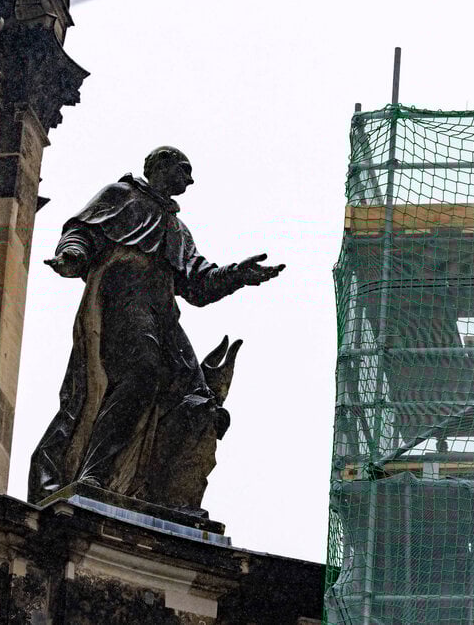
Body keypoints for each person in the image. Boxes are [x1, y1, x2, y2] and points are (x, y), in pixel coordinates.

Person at [27, 146, 283, 512]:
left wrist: (237, 275)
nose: (190, 180)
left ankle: (167, 492)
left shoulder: (178, 228)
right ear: (159, 166)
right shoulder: (121, 196)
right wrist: (73, 255)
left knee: (199, 402)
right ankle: (93, 474)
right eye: (184, 169)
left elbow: (198, 283)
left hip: (162, 313)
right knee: (142, 374)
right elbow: (81, 232)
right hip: (121, 299)